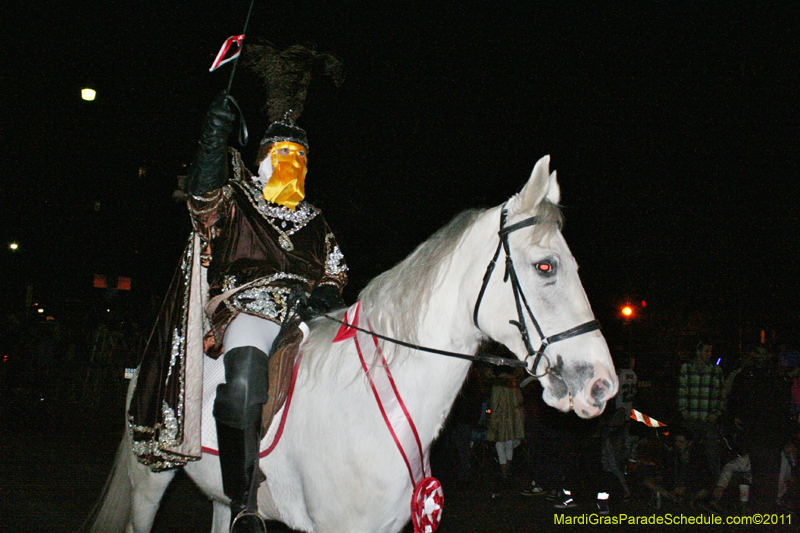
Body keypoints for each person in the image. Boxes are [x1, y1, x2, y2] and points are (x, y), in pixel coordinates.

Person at [128, 45, 347, 532]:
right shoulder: (238, 202)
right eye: (282, 153)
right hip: (250, 308)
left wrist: (325, 297)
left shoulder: (315, 219)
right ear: (264, 160)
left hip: (307, 316)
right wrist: (213, 139)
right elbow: (202, 199)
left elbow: (335, 271)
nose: (291, 162)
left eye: (299, 155)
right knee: (245, 376)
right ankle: (244, 498)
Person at [677, 339, 724, 483]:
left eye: (710, 351)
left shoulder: (716, 370)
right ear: (698, 352)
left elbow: (721, 394)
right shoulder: (686, 368)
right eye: (706, 351)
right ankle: (685, 483)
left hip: (707, 419)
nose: (709, 354)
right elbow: (682, 392)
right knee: (686, 452)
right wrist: (684, 412)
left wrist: (715, 415)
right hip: (691, 418)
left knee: (711, 452)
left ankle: (712, 485)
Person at [486, 366, 525, 481]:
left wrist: (493, 418)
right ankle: (508, 469)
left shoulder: (498, 383)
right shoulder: (513, 382)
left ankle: (504, 472)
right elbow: (519, 401)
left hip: (500, 417)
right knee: (509, 443)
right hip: (512, 417)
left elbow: (495, 403)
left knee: (499, 443)